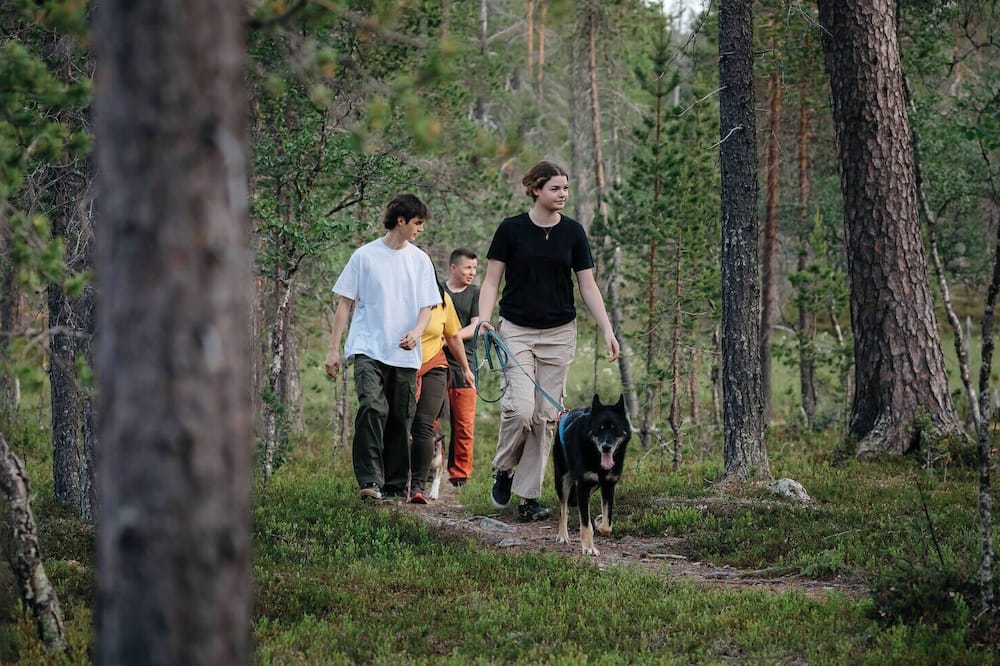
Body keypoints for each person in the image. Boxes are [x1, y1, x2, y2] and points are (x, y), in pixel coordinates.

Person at [478, 160, 620, 522]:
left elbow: (587, 284)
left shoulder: (573, 233)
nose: (563, 195)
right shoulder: (511, 230)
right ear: (536, 189)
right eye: (556, 188)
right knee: (521, 410)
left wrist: (606, 328)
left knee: (545, 419)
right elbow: (492, 280)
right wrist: (482, 318)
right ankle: (504, 470)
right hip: (516, 330)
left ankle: (528, 499)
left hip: (559, 334)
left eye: (566, 189)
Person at [325, 193, 441, 502]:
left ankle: (393, 483)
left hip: (404, 353)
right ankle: (369, 481)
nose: (420, 229)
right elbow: (345, 303)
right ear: (400, 221)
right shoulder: (364, 256)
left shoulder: (420, 260)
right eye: (417, 223)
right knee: (373, 408)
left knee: (399, 418)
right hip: (368, 347)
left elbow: (427, 306)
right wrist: (334, 349)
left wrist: (417, 332)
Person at [409, 279, 477, 503]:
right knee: (401, 422)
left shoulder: (444, 299)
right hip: (404, 366)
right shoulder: (401, 294)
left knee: (429, 423)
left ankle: (425, 484)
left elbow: (455, 335)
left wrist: (466, 369)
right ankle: (397, 480)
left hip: (437, 366)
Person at [442, 248, 481, 487]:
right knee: (429, 420)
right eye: (468, 268)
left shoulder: (476, 293)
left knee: (464, 424)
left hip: (465, 365)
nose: (472, 273)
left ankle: (460, 475)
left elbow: (476, 326)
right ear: (453, 267)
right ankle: (428, 468)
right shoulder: (438, 290)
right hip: (434, 362)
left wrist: (450, 337)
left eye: (474, 269)